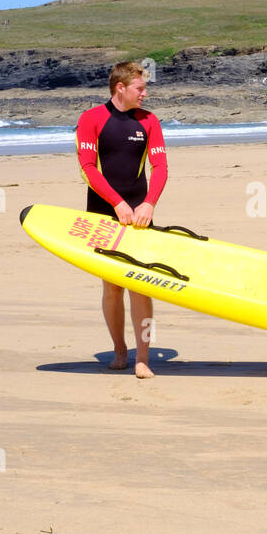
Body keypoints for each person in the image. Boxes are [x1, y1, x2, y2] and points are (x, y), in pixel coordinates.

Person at [76, 61, 169, 378]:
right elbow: (88, 168)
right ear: (121, 88)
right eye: (140, 88)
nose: (145, 93)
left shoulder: (149, 122)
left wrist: (149, 204)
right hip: (103, 212)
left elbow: (161, 168)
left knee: (141, 286)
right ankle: (119, 349)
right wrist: (116, 203)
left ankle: (143, 357)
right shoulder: (91, 119)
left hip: (141, 212)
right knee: (113, 286)